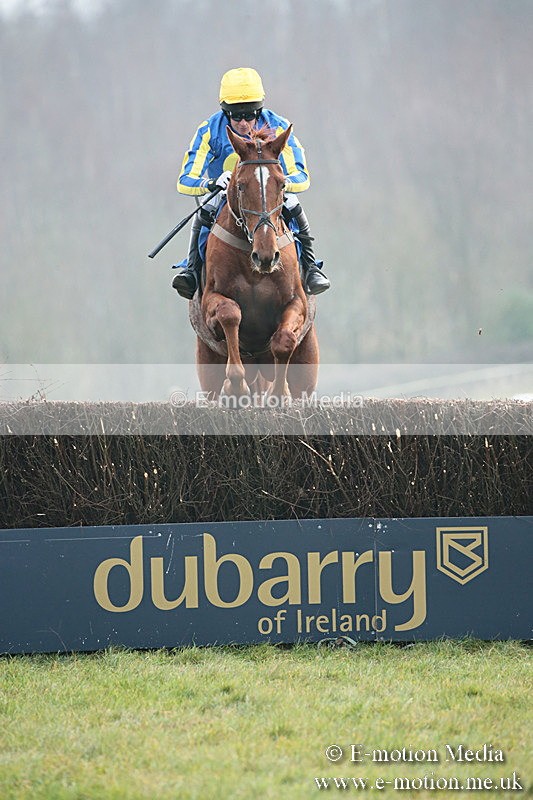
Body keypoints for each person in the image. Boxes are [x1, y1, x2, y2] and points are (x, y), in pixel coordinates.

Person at [171, 67, 330, 300]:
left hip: (269, 191)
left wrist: (277, 183)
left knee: (293, 204)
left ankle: (311, 266)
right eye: (236, 116)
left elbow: (302, 176)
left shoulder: (279, 126)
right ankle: (192, 270)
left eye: (250, 114)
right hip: (224, 192)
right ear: (225, 112)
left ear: (260, 110)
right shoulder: (208, 130)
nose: (244, 123)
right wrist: (211, 183)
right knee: (205, 207)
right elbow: (184, 180)